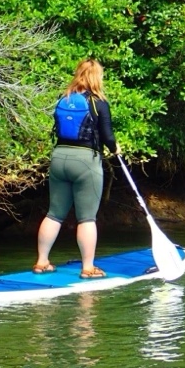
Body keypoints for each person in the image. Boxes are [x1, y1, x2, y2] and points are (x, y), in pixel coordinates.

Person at [33, 58, 121, 279]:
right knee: (87, 218)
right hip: (85, 162)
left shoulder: (64, 98)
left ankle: (42, 262)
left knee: (54, 214)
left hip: (59, 157)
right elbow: (108, 136)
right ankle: (88, 268)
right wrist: (115, 148)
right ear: (96, 77)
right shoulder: (99, 102)